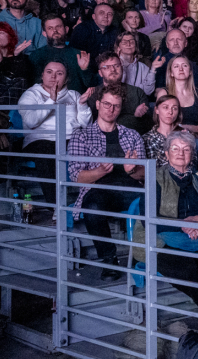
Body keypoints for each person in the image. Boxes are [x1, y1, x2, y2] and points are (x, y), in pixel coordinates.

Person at [67, 84, 147, 279]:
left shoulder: (132, 135)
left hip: (128, 187)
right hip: (98, 188)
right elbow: (75, 175)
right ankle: (109, 260)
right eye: (107, 104)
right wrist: (98, 172)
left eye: (116, 106)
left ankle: (142, 258)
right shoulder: (82, 135)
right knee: (92, 206)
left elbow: (144, 175)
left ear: (120, 108)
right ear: (97, 104)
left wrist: (133, 169)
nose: (111, 109)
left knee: (151, 201)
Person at [140, 131, 198, 311]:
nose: (181, 153)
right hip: (164, 238)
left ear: (192, 154)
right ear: (166, 153)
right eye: (175, 148)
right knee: (184, 270)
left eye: (186, 149)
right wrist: (183, 225)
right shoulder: (154, 179)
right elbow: (148, 216)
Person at [18, 62, 94, 207]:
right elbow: (30, 121)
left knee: (94, 147)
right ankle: (56, 207)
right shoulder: (30, 94)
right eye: (49, 72)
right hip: (41, 140)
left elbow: (86, 125)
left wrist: (83, 105)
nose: (53, 76)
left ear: (66, 79)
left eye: (59, 73)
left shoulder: (74, 95)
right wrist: (51, 101)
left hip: (71, 139)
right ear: (42, 75)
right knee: (47, 152)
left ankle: (90, 202)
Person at [143, 94, 181, 167]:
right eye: (165, 107)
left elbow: (191, 165)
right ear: (157, 110)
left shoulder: (184, 137)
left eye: (174, 108)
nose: (170, 112)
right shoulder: (147, 139)